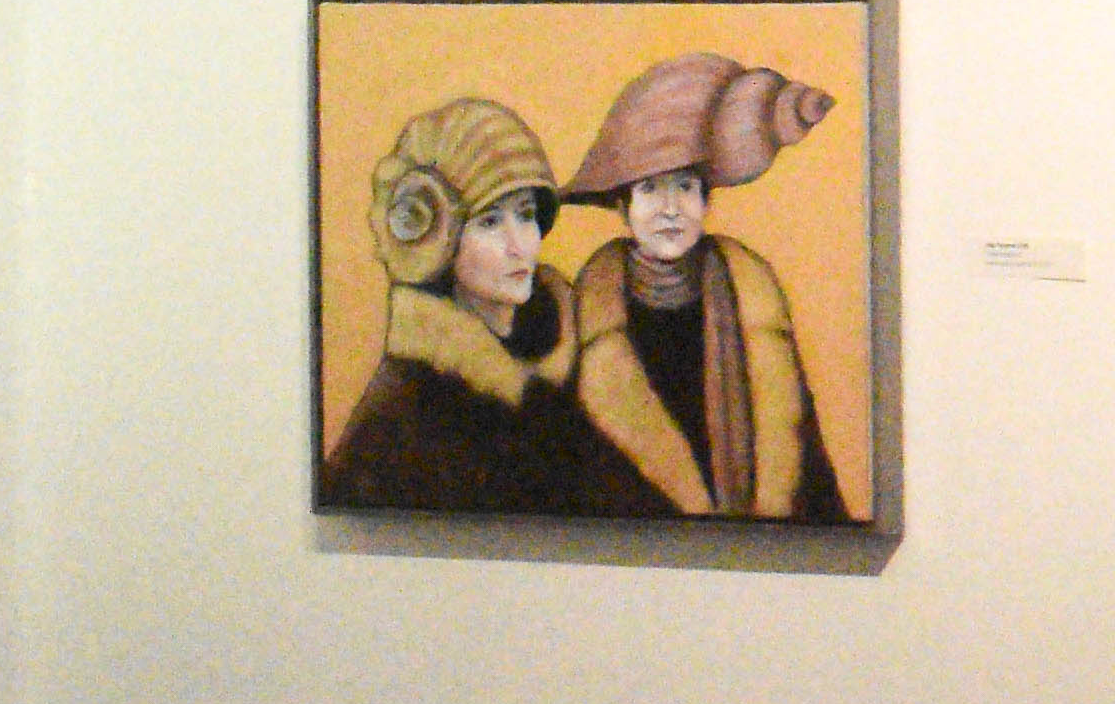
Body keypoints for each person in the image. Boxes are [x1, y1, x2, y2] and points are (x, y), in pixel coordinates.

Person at [565, 52, 850, 521]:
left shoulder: (752, 297)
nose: (670, 209)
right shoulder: (588, 314)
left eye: (685, 187)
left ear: (705, 201)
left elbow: (809, 466)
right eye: (650, 189)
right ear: (622, 206)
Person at [317, 96, 616, 516]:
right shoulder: (404, 406)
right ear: (441, 242)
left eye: (526, 215)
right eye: (490, 222)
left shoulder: (580, 359)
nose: (518, 246)